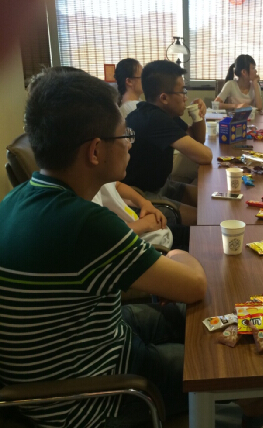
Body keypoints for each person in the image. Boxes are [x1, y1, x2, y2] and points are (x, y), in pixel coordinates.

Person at [0, 69, 207, 427]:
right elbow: (195, 286)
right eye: (125, 135)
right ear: (95, 150)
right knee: (214, 363)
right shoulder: (85, 223)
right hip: (91, 398)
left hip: (89, 339)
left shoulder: (15, 199)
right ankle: (262, 407)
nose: (130, 144)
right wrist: (177, 255)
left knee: (186, 320)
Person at [123, 60, 213, 225]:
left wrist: (197, 115)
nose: (186, 97)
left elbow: (197, 139)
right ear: (164, 97)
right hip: (141, 196)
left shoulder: (158, 113)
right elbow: (205, 156)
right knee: (207, 220)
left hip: (162, 185)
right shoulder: (154, 119)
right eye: (182, 91)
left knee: (212, 200)